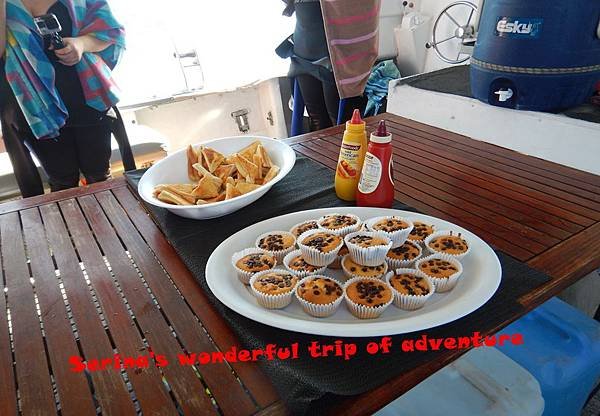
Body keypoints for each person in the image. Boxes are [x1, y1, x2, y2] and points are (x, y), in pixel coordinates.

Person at [0, 0, 125, 196]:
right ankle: (72, 227)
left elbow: (111, 32)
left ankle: (111, 226)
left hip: (88, 99)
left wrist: (80, 44)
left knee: (99, 177)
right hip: (36, 109)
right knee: (62, 183)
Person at [281, 0, 366, 131]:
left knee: (341, 123)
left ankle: (343, 151)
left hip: (334, 56)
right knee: (316, 120)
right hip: (303, 52)